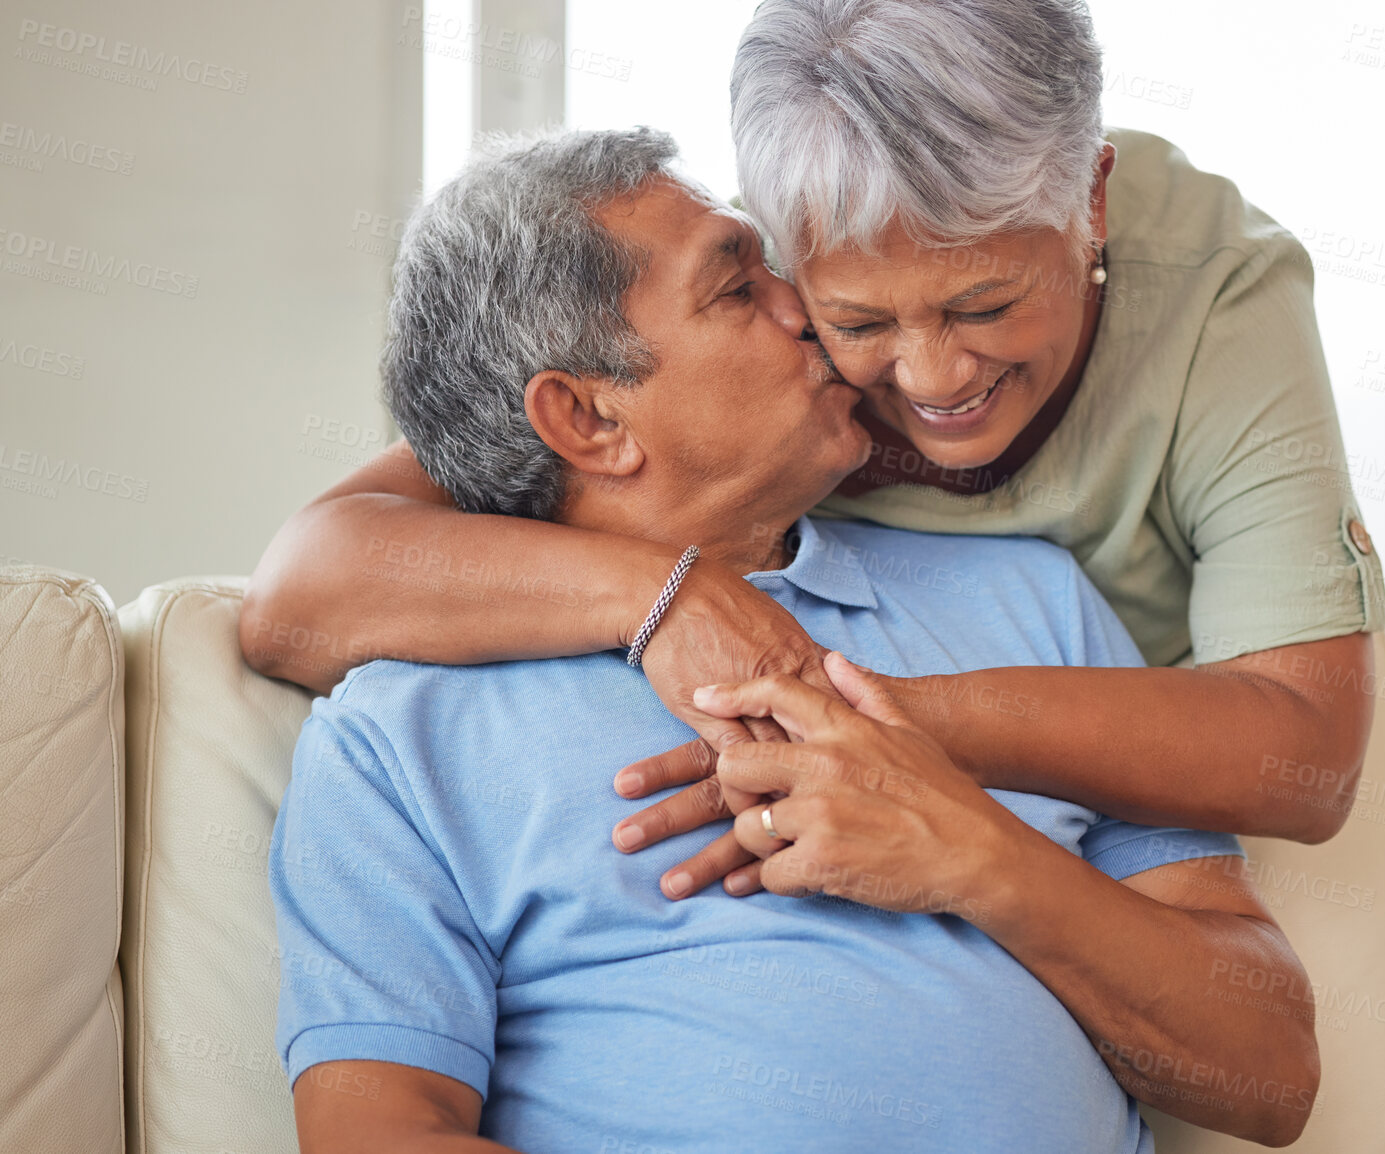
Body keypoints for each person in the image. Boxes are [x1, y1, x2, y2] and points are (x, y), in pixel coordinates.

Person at [272, 128, 1318, 1153]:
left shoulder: (1034, 598)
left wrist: (970, 849)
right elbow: (377, 1134)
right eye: (738, 287)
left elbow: (1269, 1069)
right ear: (590, 420)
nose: (807, 307)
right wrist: (667, 595)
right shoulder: (398, 733)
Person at [241, 0, 1385, 904]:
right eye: (862, 321)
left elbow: (1309, 753)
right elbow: (309, 585)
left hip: (1095, 804)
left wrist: (855, 720)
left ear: (1090, 202)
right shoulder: (754, 285)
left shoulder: (1219, 296)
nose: (934, 377)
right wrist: (665, 591)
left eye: (985, 303)